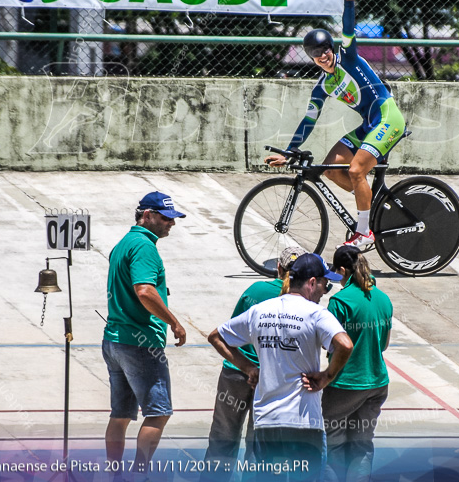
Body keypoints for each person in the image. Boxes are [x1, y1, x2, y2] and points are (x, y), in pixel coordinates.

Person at [265, 0, 406, 249]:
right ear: (311, 58)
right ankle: (368, 199)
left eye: (325, 49)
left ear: (332, 47)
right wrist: (288, 151)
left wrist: (348, 3)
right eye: (316, 54)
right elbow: (309, 120)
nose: (323, 55)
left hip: (388, 117)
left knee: (355, 170)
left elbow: (349, 29)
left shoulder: (347, 57)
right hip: (369, 124)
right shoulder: (322, 86)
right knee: (330, 169)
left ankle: (364, 233)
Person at [208, 254, 354, 481]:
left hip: (267, 422)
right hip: (304, 423)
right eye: (325, 286)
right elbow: (345, 345)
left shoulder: (261, 311)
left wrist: (248, 368)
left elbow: (216, 337)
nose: (324, 293)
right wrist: (327, 377)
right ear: (312, 283)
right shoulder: (316, 314)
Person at [201, 246, 306, 481]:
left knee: (223, 438)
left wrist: (246, 366)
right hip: (273, 382)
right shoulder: (305, 302)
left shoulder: (256, 290)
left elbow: (226, 336)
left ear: (278, 268)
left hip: (237, 373)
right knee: (260, 448)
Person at [101, 191, 189, 475]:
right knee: (158, 413)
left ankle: (115, 473)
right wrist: (174, 322)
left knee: (121, 415)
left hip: (115, 340)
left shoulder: (123, 244)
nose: (171, 224)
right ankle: (140, 474)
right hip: (140, 344)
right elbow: (144, 290)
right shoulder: (144, 247)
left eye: (172, 219)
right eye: (165, 218)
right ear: (147, 216)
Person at [322, 246, 393, 482]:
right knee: (362, 447)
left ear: (343, 271)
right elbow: (383, 345)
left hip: (344, 384)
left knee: (332, 448)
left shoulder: (340, 301)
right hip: (376, 382)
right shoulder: (383, 299)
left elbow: (331, 345)